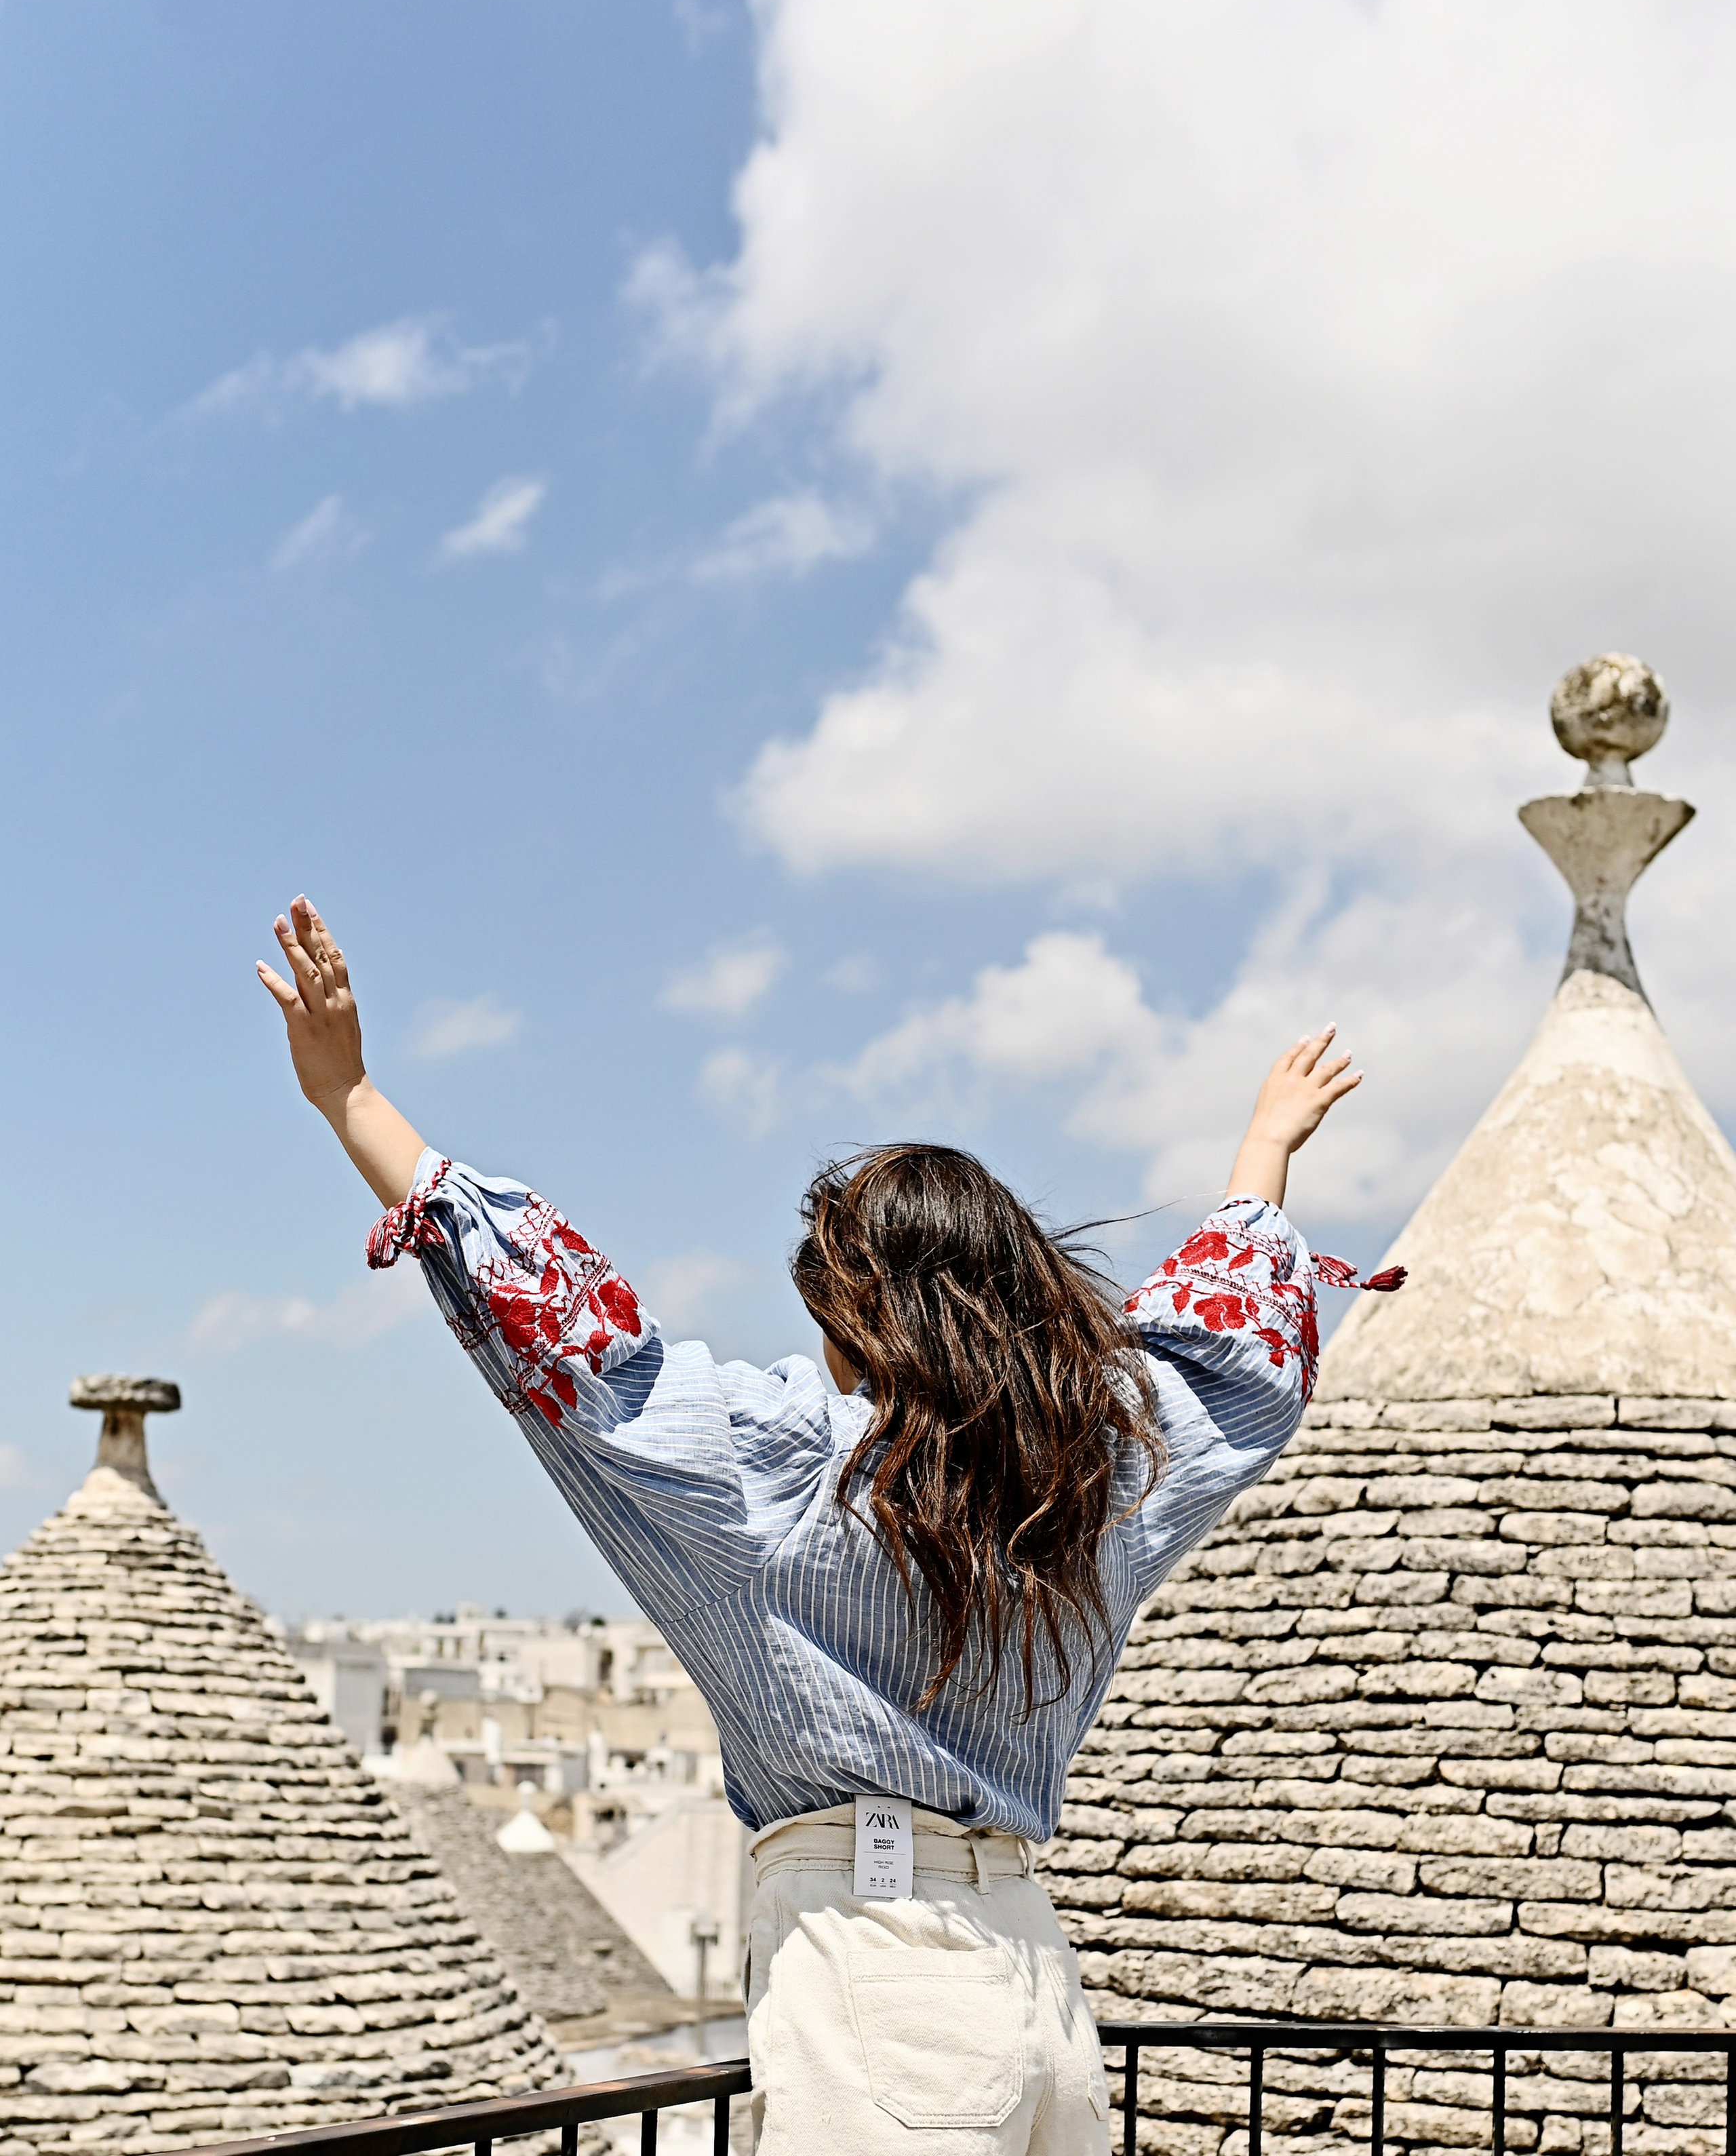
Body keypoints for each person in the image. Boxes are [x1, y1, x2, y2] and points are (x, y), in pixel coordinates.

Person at [258, 896, 1401, 2156]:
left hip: (878, 1980)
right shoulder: (1093, 1475)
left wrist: (352, 1098)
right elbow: (1231, 1362)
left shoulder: (787, 1466)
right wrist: (1262, 1156)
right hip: (1036, 1984)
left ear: (856, 1315)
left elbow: (569, 1336)